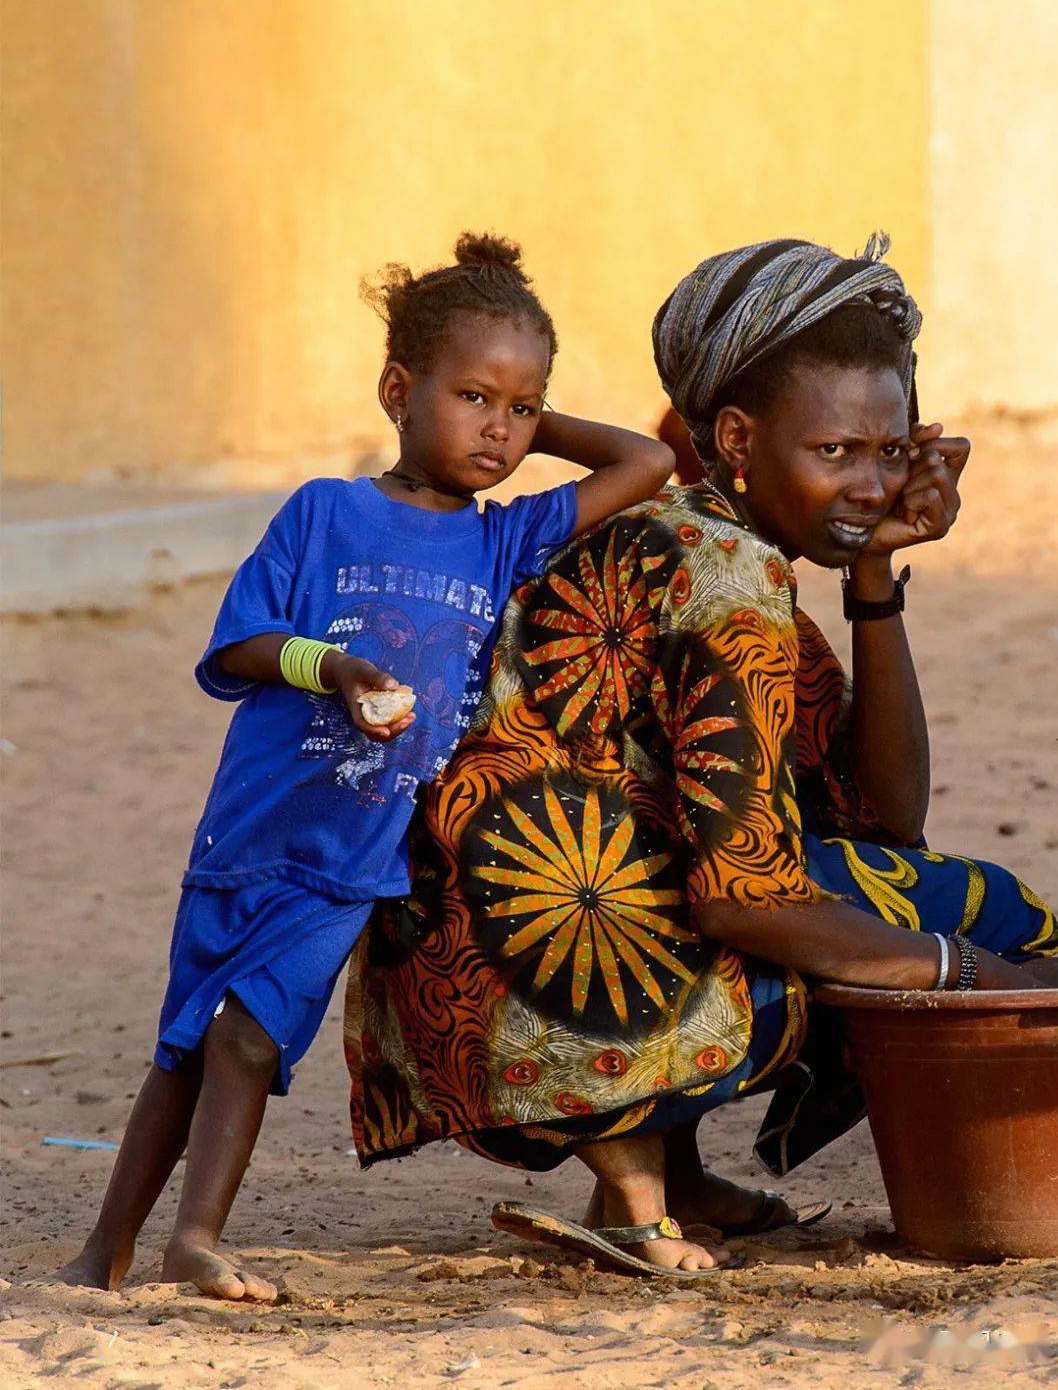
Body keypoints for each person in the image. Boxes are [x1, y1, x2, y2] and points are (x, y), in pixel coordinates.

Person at [341, 235, 1058, 1277]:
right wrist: (978, 977)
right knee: (990, 922)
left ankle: (665, 1170)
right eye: (835, 452)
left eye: (891, 450)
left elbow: (880, 806)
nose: (869, 484)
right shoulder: (718, 575)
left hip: (476, 985)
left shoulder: (706, 537)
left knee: (862, 875)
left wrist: (876, 581)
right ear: (735, 436)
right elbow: (743, 898)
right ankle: (642, 1156)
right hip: (530, 1004)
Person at [60, 232, 676, 1300]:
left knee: (247, 1039)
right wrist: (339, 666)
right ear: (398, 387)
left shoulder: (503, 539)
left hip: (353, 853)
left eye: (523, 407)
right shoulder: (322, 511)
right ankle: (103, 1246)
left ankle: (192, 1236)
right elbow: (242, 639)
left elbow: (649, 462)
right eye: (472, 396)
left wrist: (529, 427)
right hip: (250, 828)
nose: (500, 426)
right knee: (182, 1044)